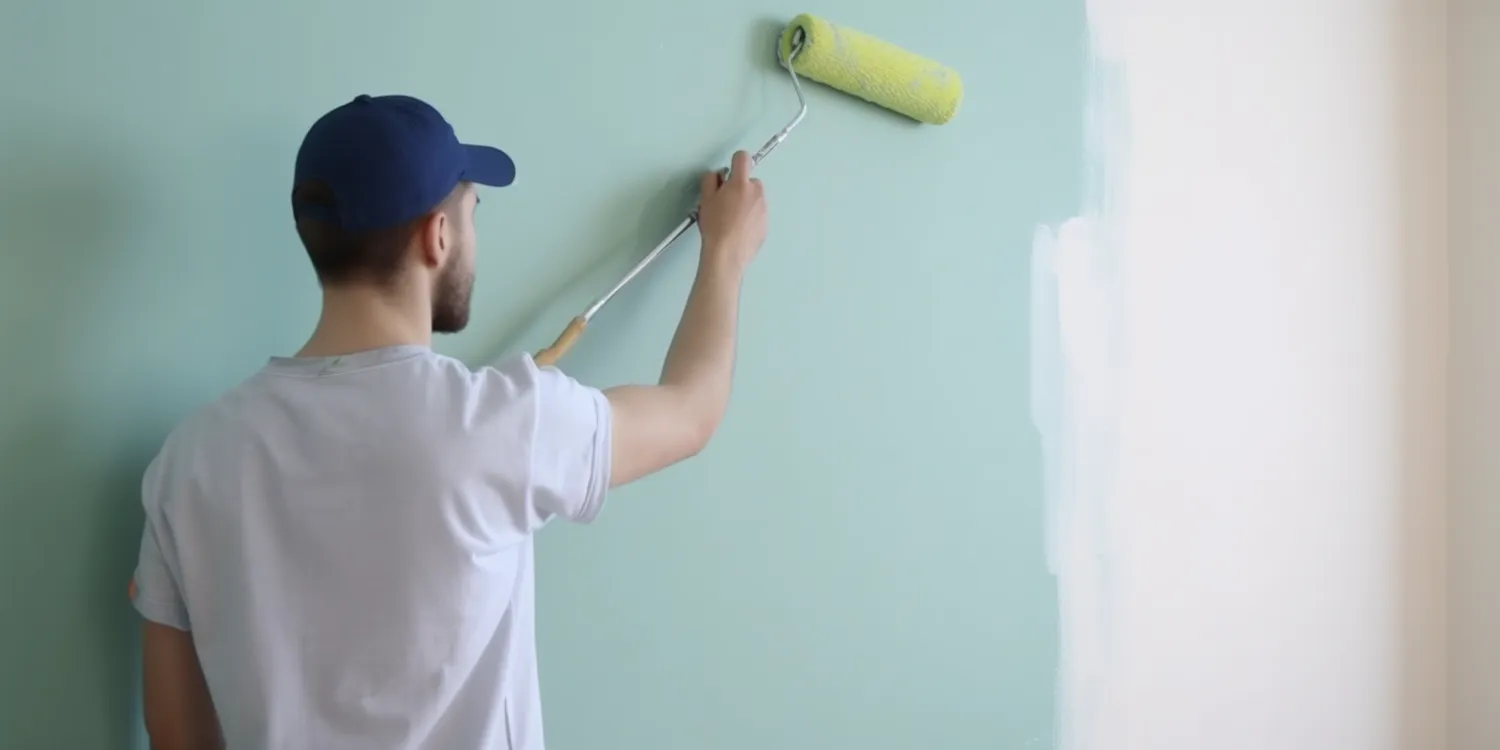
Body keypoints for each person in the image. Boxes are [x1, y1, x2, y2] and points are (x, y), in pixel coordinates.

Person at [128, 93, 768, 750]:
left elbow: (175, 734)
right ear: (437, 237)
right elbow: (691, 411)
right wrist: (726, 252)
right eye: (472, 213)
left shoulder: (189, 459)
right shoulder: (503, 420)